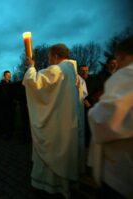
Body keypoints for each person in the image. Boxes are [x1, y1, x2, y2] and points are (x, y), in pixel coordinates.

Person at [22, 44, 84, 198]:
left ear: (55, 56)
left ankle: (50, 188)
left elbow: (34, 82)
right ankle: (67, 185)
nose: (49, 60)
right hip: (69, 123)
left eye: (49, 57)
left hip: (55, 124)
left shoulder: (57, 70)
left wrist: (31, 67)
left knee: (53, 152)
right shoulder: (74, 73)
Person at [88, 36, 133, 199]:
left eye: (117, 60)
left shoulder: (127, 74)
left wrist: (93, 111)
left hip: (121, 175)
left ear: (120, 56)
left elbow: (103, 121)